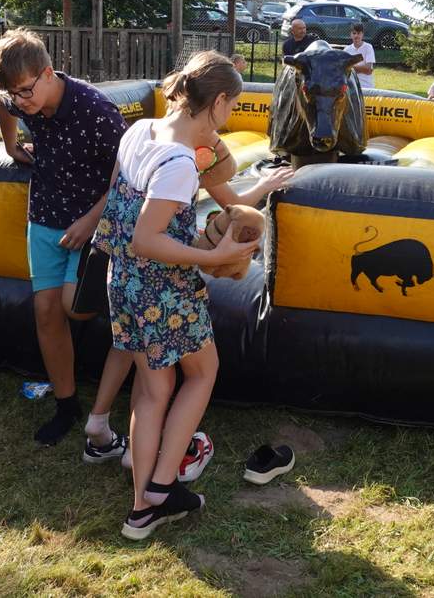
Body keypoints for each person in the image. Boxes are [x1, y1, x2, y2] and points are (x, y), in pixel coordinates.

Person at [93, 52, 258, 540]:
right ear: (219, 101)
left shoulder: (139, 131)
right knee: (203, 373)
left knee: (152, 391)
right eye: (232, 106)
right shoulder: (180, 162)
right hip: (163, 291)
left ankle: (142, 509)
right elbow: (148, 238)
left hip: (123, 283)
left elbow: (119, 207)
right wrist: (215, 254)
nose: (230, 116)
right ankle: (162, 486)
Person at [0, 29, 134, 452]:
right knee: (45, 312)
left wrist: (92, 221)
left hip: (92, 222)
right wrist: (11, 145)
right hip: (44, 217)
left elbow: (129, 172)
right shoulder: (19, 99)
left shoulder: (96, 110)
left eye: (25, 91)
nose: (21, 101)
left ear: (48, 73)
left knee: (73, 306)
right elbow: (1, 103)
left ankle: (129, 343)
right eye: (15, 93)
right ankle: (66, 404)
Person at [343, 23, 375, 90]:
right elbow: (342, 70)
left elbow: (368, 70)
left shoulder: (368, 47)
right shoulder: (346, 50)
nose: (356, 36)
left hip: (367, 87)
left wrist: (350, 66)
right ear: (351, 34)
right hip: (352, 89)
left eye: (358, 33)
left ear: (362, 34)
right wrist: (361, 68)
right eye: (354, 33)